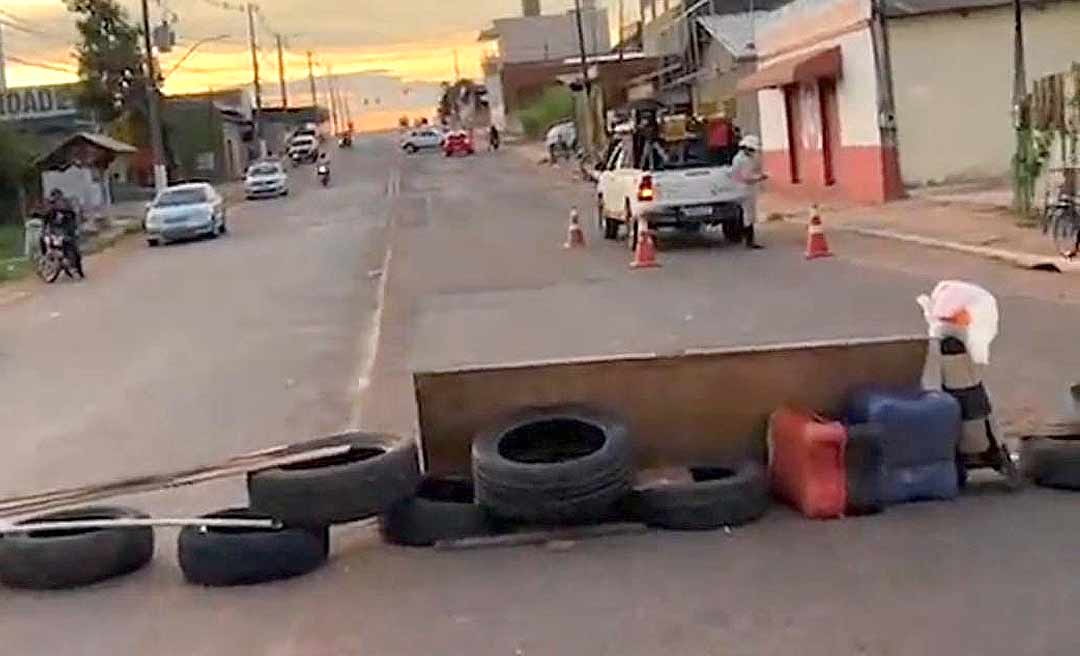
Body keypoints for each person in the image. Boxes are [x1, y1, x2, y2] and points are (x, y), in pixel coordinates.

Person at [731, 134, 767, 249]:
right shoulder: (744, 160)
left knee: (745, 214)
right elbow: (747, 177)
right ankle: (749, 241)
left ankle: (744, 237)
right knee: (749, 216)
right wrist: (761, 177)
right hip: (746, 189)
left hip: (741, 189)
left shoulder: (738, 158)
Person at [41, 189, 85, 277]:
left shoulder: (67, 208)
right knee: (43, 240)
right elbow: (45, 221)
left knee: (74, 250)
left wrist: (74, 229)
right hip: (55, 233)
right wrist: (44, 231)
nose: (57, 201)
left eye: (58, 197)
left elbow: (73, 219)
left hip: (67, 232)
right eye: (54, 198)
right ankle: (45, 260)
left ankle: (77, 268)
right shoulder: (50, 209)